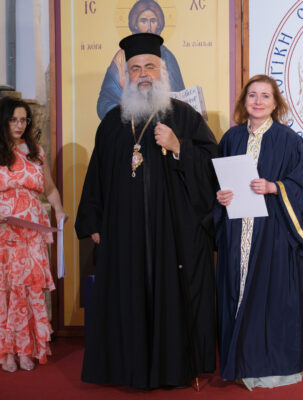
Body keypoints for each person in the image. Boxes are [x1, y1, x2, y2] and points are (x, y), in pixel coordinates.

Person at [75, 33, 218, 389]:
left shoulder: (184, 117)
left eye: (150, 67)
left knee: (170, 294)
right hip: (123, 235)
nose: (143, 75)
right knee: (127, 297)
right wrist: (93, 222)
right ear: (125, 76)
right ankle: (129, 369)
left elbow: (213, 168)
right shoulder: (112, 123)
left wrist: (179, 146)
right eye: (135, 68)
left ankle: (171, 369)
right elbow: (96, 177)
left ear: (163, 71)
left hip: (172, 235)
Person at [215, 74, 303, 390]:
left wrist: (275, 187)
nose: (258, 101)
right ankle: (239, 362)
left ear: (276, 104)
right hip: (237, 232)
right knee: (236, 292)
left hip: (273, 234)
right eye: (252, 95)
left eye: (265, 96)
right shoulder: (231, 138)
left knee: (270, 298)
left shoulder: (289, 141)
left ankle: (270, 365)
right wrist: (220, 197)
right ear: (244, 101)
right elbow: (218, 184)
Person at [0, 97, 67, 372]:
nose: (19, 125)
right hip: (5, 234)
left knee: (29, 289)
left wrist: (59, 211)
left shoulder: (36, 151)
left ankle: (26, 349)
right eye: (13, 120)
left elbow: (49, 189)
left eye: (23, 120)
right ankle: (7, 352)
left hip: (32, 233)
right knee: (8, 290)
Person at [96, 0, 185, 119]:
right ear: (135, 24)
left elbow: (180, 100)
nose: (149, 27)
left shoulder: (168, 57)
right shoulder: (121, 58)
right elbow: (105, 102)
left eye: (153, 21)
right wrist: (129, 112)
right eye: (143, 21)